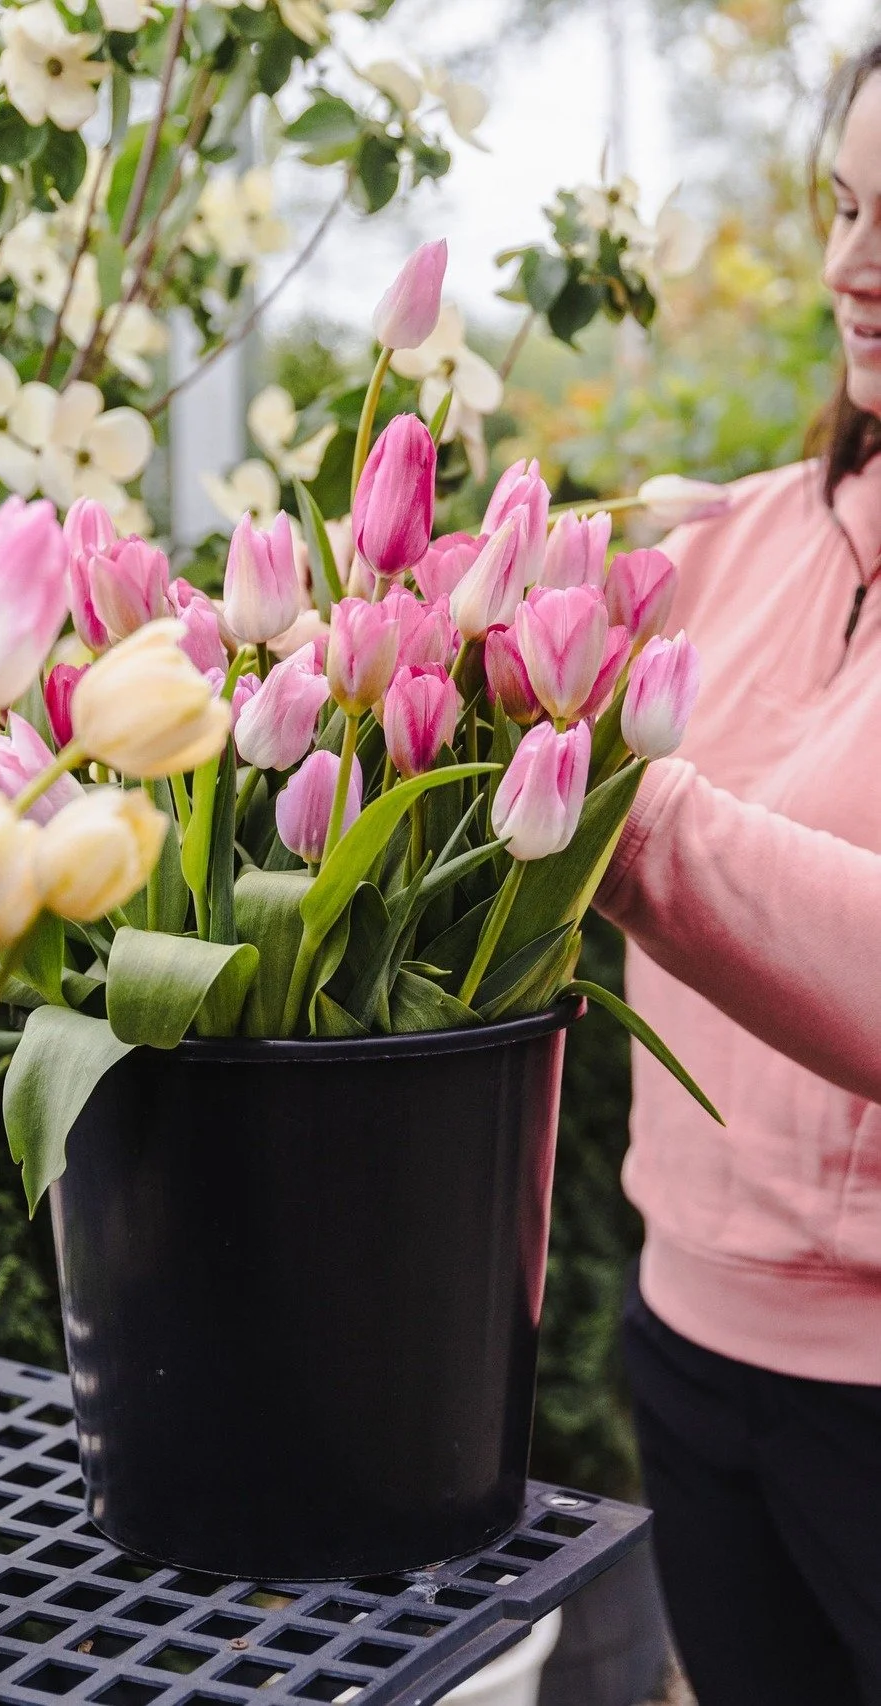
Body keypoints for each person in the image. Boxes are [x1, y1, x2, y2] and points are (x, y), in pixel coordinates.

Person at [595, 40, 881, 1706]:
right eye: (844, 206)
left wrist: (619, 819)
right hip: (691, 1344)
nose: (852, 265)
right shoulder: (727, 537)